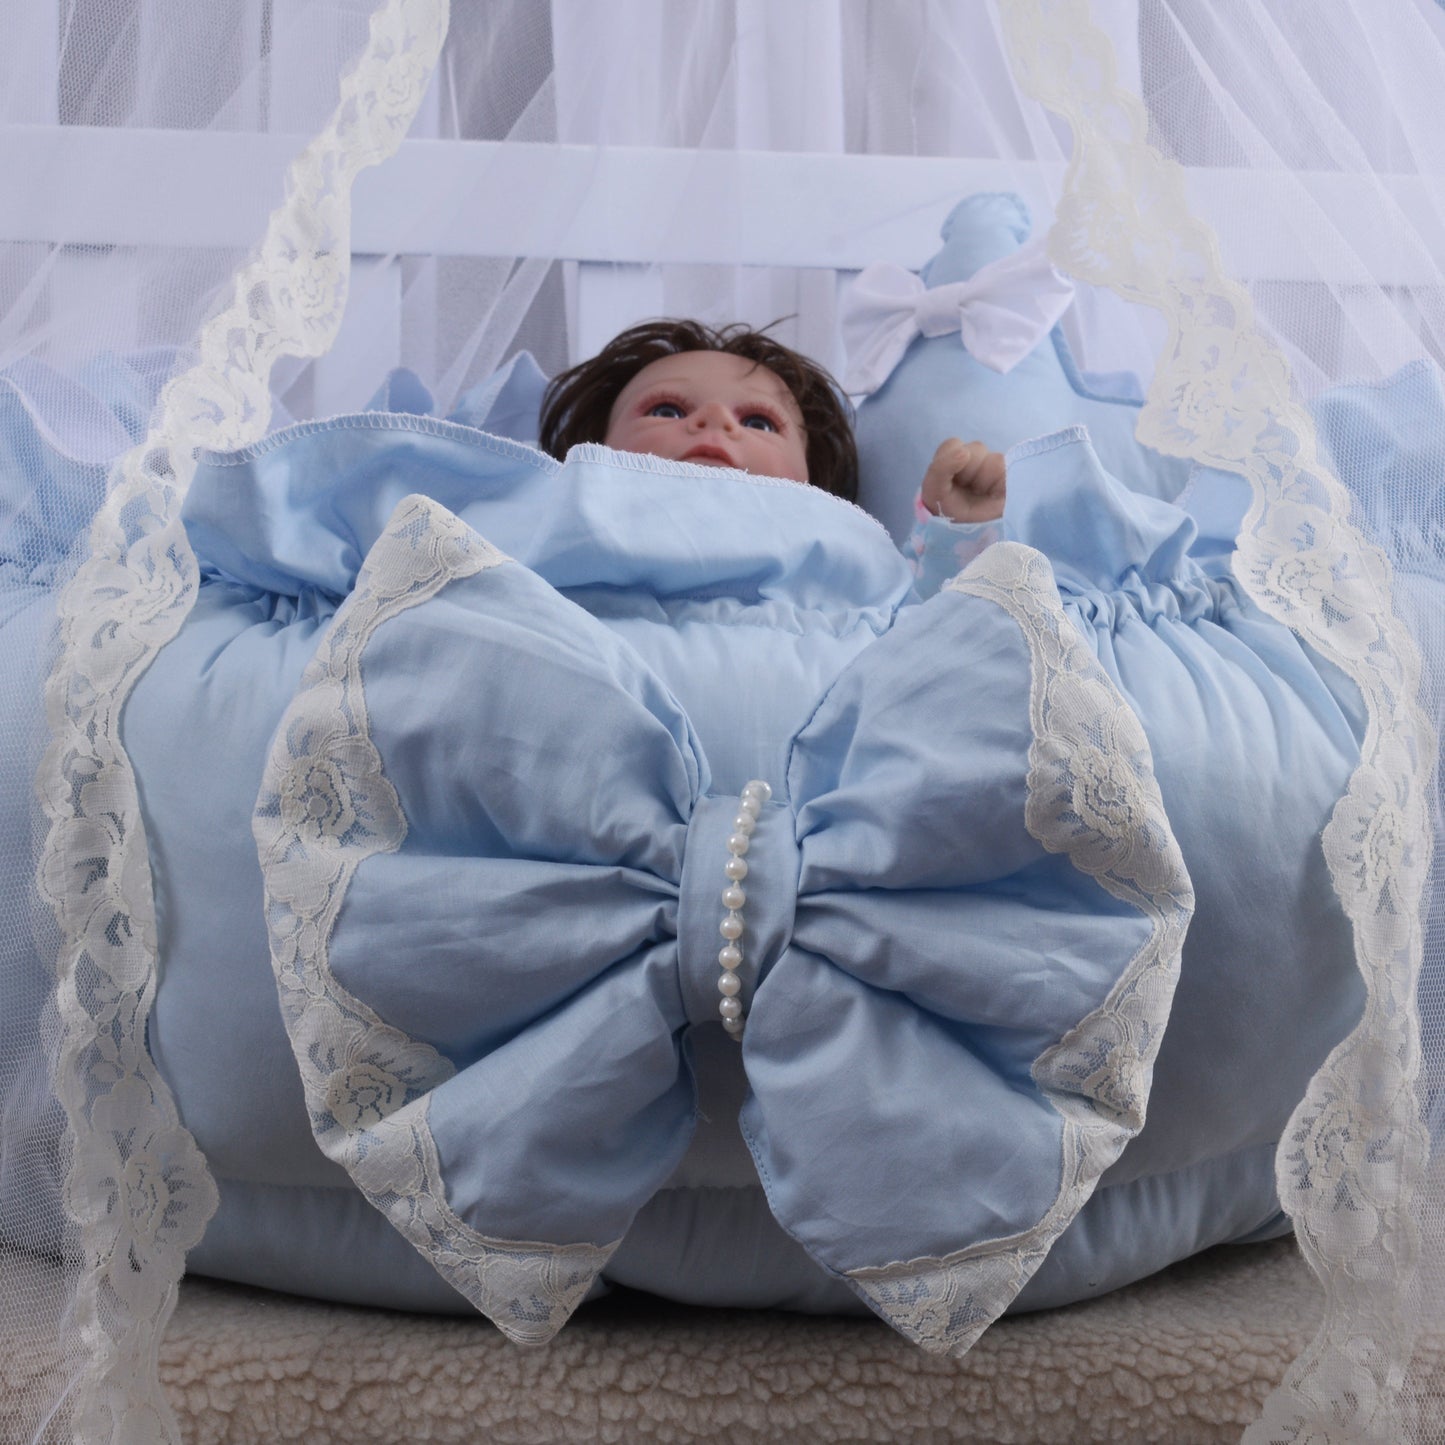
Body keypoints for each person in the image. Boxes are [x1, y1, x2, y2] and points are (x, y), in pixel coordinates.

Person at [538, 318, 1007, 529]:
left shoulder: (845, 555)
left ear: (815, 486)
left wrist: (956, 533)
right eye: (666, 412)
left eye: (759, 422)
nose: (715, 419)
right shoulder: (544, 532)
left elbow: (924, 634)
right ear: (591, 451)